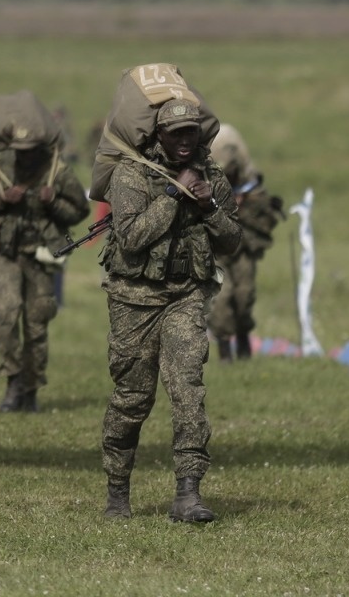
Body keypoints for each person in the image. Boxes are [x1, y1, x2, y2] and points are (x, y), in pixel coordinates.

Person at [98, 97, 241, 522]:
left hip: (185, 296)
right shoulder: (131, 175)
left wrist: (207, 206)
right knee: (132, 398)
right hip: (133, 300)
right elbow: (131, 236)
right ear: (158, 134)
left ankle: (188, 494)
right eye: (175, 133)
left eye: (190, 132)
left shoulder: (210, 176)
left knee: (188, 391)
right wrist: (173, 195)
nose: (183, 141)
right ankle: (118, 493)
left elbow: (233, 239)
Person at [0, 91, 90, 413]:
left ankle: (31, 389)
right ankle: (12, 382)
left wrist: (54, 203)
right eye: (19, 150)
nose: (24, 156)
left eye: (30, 151)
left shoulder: (56, 172)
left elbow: (79, 211)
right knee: (7, 311)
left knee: (37, 322)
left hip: (40, 255)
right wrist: (1, 200)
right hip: (5, 253)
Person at [207, 123, 285, 362]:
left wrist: (247, 204)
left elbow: (264, 218)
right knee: (221, 295)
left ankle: (242, 337)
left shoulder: (249, 183)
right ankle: (224, 349)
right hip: (215, 246)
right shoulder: (202, 183)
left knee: (244, 293)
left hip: (243, 244)